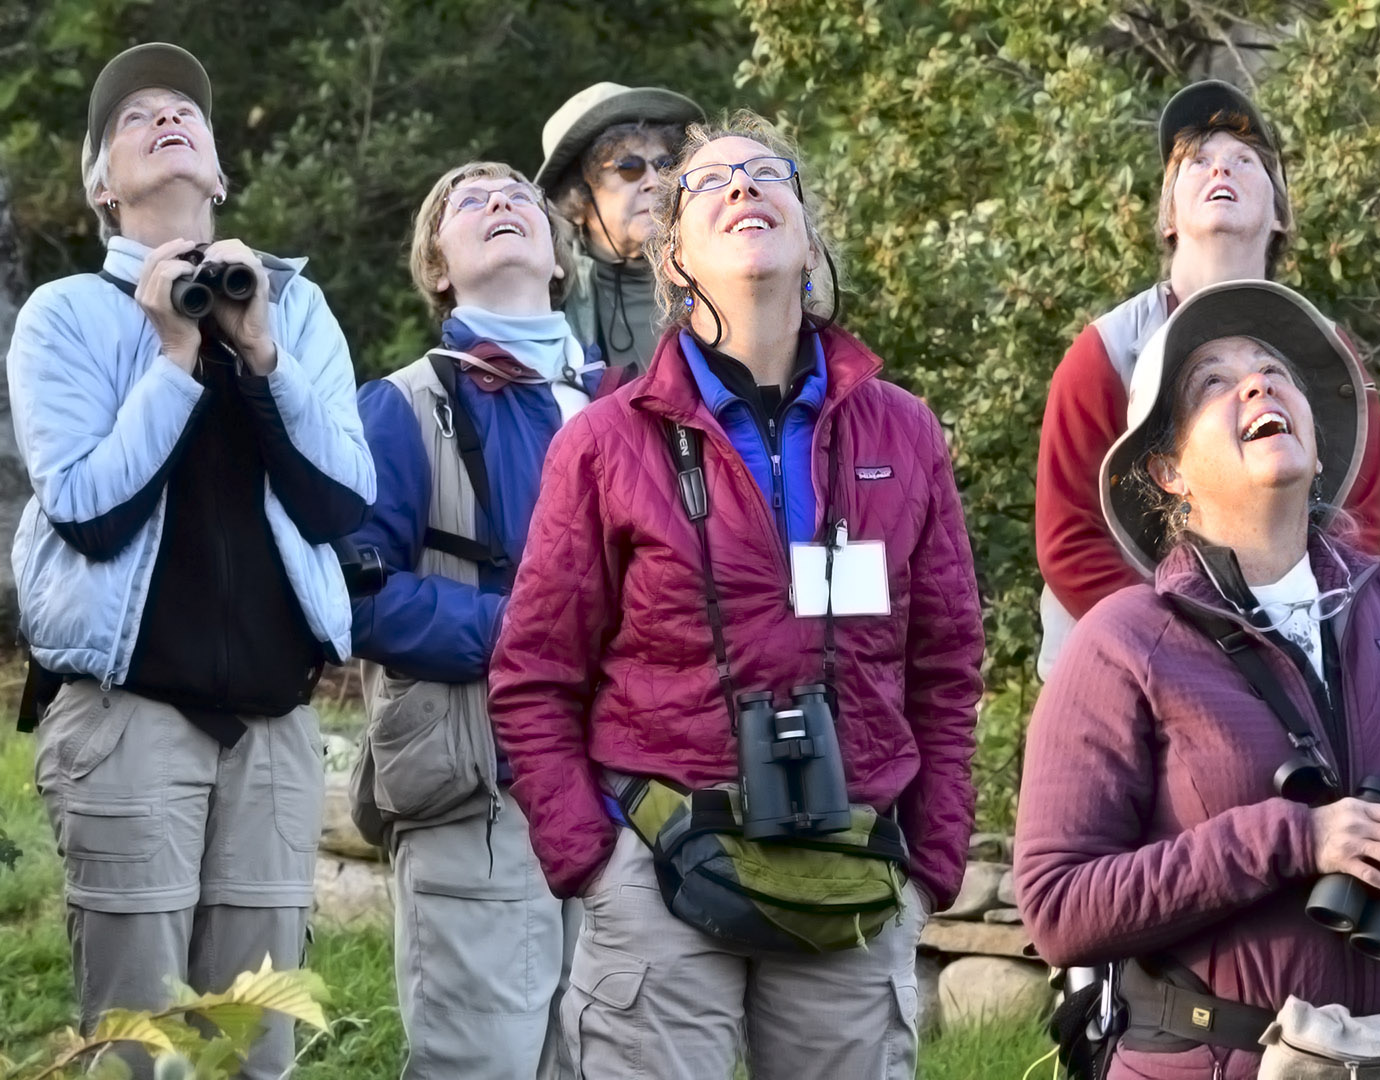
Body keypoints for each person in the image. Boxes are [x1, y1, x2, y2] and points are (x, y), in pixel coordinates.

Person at [488, 111, 984, 1080]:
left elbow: (947, 664)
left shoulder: (904, 433)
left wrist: (932, 863)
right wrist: (593, 862)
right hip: (660, 866)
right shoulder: (603, 443)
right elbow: (534, 674)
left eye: (769, 175)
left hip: (854, 869)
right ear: (673, 259)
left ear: (811, 239)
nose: (745, 188)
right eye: (710, 183)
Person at [8, 42, 375, 1078]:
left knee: (257, 1046)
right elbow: (88, 511)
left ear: (218, 174)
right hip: (128, 721)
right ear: (101, 189)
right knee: (140, 1049)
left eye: (185, 112)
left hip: (273, 728)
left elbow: (344, 499)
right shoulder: (66, 315)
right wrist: (172, 353)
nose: (166, 117)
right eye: (134, 117)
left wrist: (261, 355)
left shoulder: (295, 309)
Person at [1015, 280, 1380, 1080]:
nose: (1257, 384)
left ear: (1316, 443)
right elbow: (1059, 907)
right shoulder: (1123, 641)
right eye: (1215, 381)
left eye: (1275, 371)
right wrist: (1296, 840)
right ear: (1169, 471)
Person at [345, 160, 588, 1079]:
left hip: (625, 800)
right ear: (437, 268)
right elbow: (354, 594)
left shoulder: (627, 406)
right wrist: (521, 629)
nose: (499, 202)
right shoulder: (401, 405)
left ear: (559, 259)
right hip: (478, 800)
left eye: (520, 194)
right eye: (467, 201)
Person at [1034, 80, 1380, 678]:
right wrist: (1186, 648)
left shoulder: (1328, 356)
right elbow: (1070, 539)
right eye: (1197, 162)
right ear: (1168, 217)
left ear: (1279, 215)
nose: (1220, 168)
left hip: (1294, 666)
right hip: (1124, 675)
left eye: (1245, 160)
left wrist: (1289, 639)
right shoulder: (1108, 351)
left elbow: (1358, 522)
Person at [536, 81, 702, 371]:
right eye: (628, 167)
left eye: (665, 164)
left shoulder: (713, 269)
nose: (655, 182)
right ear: (579, 194)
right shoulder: (549, 295)